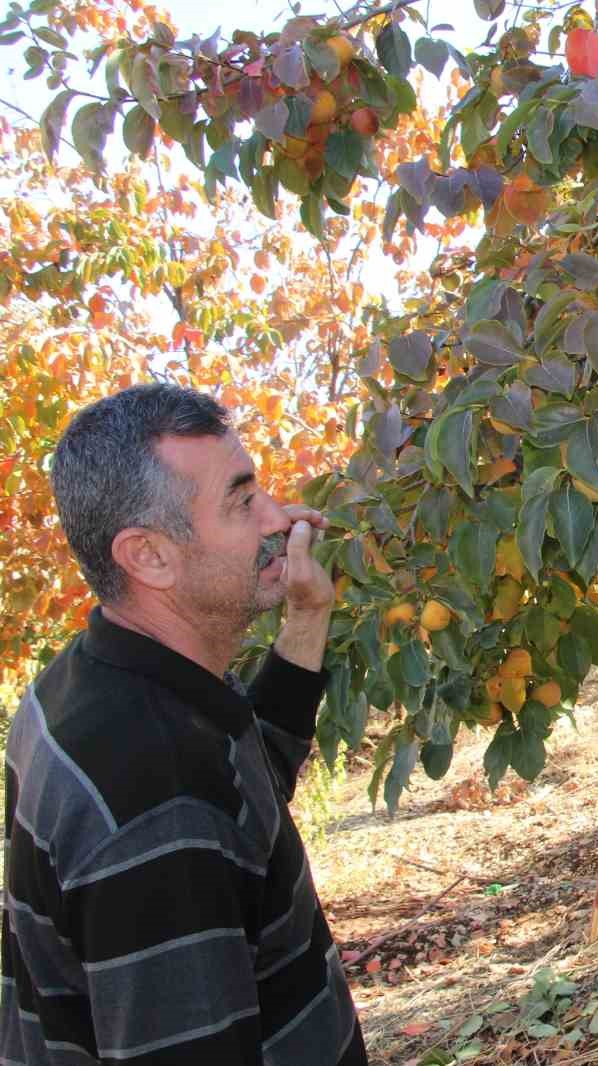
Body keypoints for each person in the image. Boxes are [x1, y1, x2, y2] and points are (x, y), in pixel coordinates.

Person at [2, 383, 367, 1064]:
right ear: (148, 556)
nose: (276, 518)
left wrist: (308, 615)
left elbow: (244, 785)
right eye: (240, 501)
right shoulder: (156, 803)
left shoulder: (100, 680)